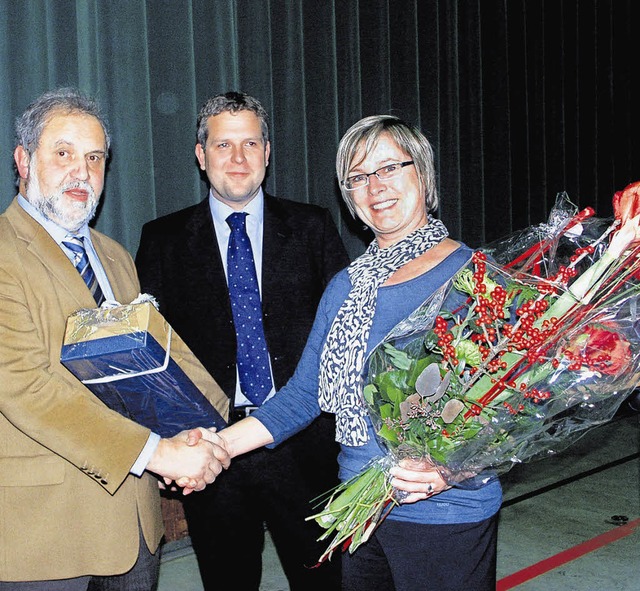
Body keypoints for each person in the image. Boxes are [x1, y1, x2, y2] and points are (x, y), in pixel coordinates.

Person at [204, 115, 503, 591]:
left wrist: (454, 466)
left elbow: (511, 401)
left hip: (444, 512)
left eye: (389, 168)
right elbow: (304, 395)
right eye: (358, 177)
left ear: (422, 174)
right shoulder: (347, 286)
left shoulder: (471, 275)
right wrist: (217, 447)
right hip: (359, 512)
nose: (375, 187)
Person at [0, 88, 229, 590]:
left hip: (135, 530)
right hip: (43, 537)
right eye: (62, 153)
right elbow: (25, 390)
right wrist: (159, 454)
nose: (81, 171)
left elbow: (158, 362)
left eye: (94, 157)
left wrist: (204, 432)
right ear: (23, 159)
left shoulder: (115, 256)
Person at [135, 91, 349, 590]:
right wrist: (172, 442)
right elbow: (149, 357)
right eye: (223, 144)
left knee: (324, 581)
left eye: (250, 143)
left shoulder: (313, 228)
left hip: (305, 444)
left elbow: (347, 338)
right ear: (200, 154)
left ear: (268, 153)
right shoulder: (161, 240)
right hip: (212, 452)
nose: (237, 158)